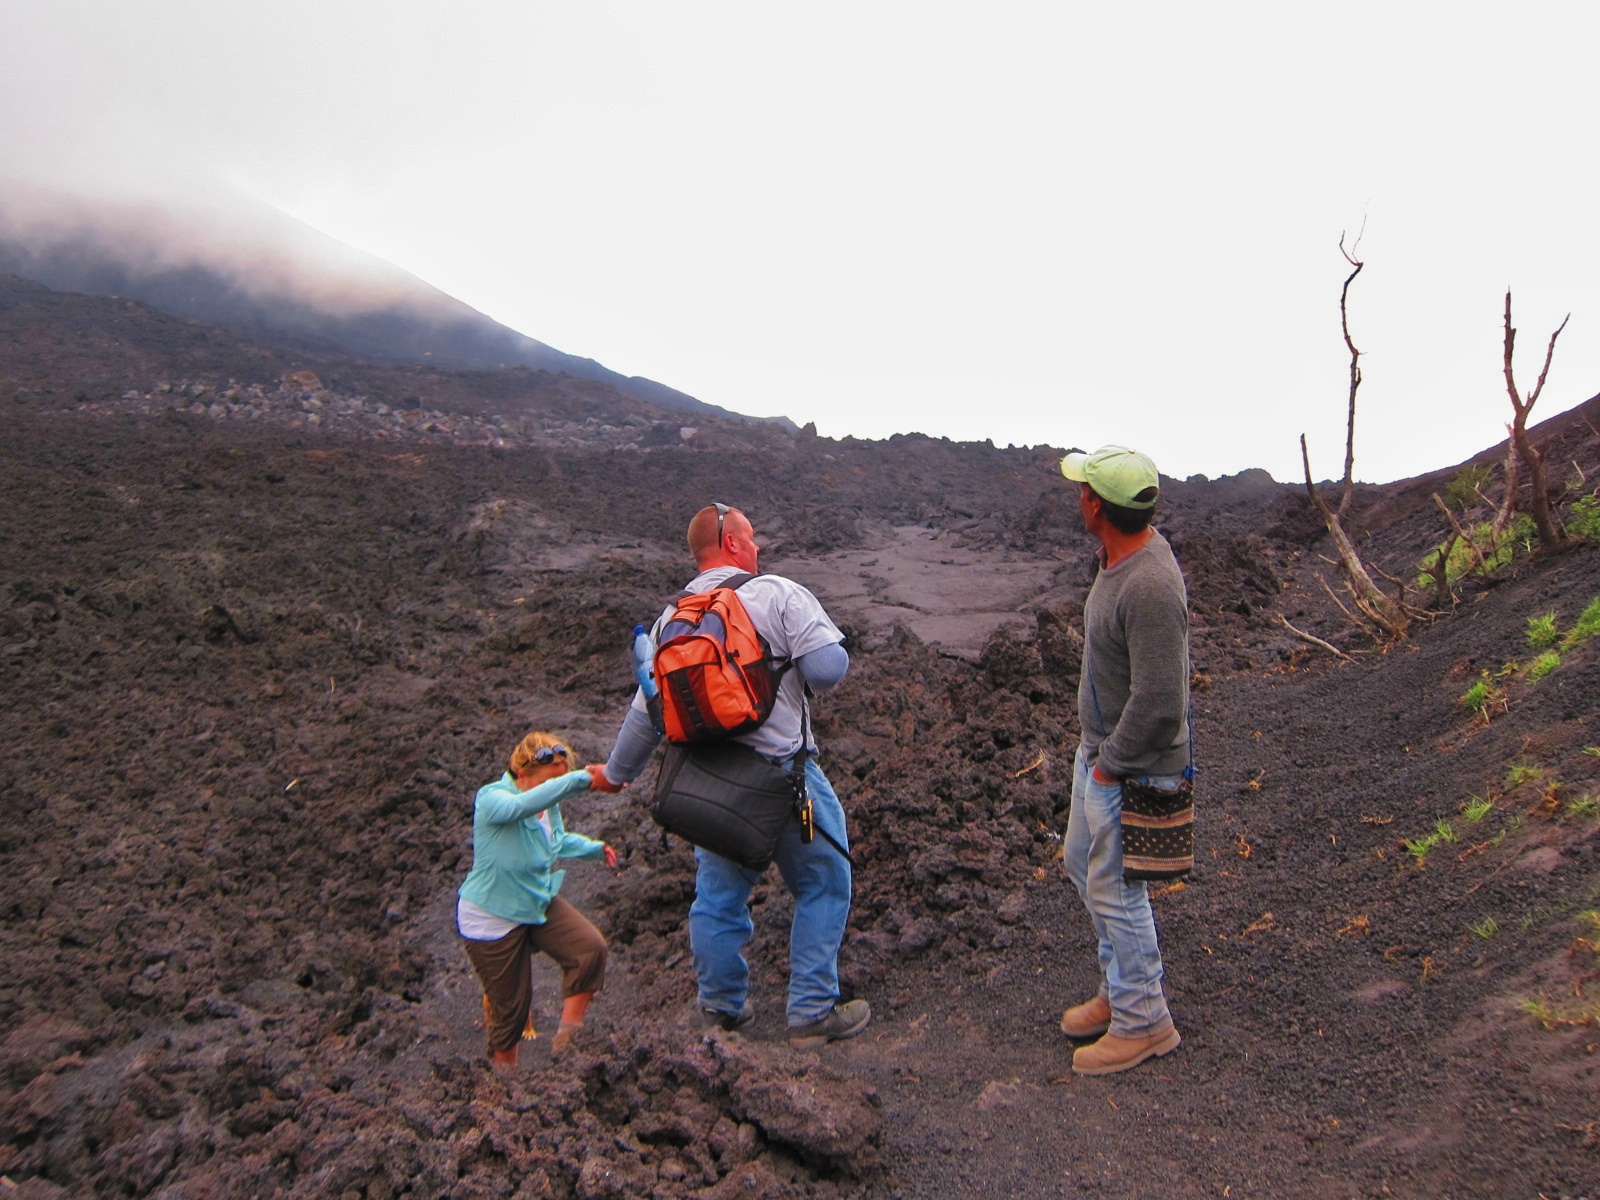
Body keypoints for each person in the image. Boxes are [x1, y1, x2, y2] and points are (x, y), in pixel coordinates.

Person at [598, 502, 870, 1050]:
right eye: (750, 537)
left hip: (710, 787)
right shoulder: (776, 594)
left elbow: (645, 711)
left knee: (717, 900)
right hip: (784, 780)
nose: (758, 547)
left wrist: (615, 773)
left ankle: (720, 1010)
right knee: (824, 882)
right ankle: (812, 1013)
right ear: (729, 544)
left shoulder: (670, 619)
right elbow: (826, 669)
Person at [1056, 444, 1191, 1075]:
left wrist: (1110, 765)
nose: (1076, 496)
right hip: (1101, 755)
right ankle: (1121, 989)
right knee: (1083, 865)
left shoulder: (1151, 585)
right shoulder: (1118, 555)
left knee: (1118, 888)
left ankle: (1145, 1021)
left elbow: (1163, 698)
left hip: (1130, 764)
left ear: (1095, 505)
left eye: (1081, 489)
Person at [457, 731, 621, 1069]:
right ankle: (506, 1085)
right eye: (551, 784)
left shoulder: (547, 807)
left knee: (589, 950)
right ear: (522, 774)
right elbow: (521, 807)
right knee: (512, 1011)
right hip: (491, 918)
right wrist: (585, 779)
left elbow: (554, 840)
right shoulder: (493, 798)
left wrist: (593, 848)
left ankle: (567, 1043)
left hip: (534, 901)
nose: (553, 794)